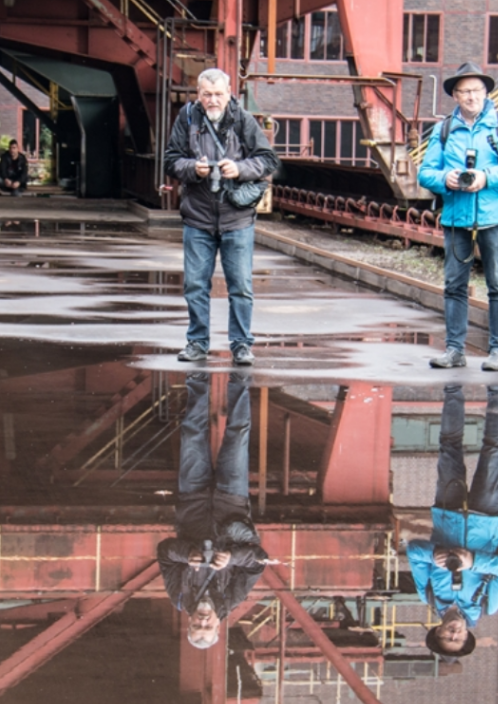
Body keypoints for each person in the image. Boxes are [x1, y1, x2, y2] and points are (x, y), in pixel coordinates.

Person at [417, 62, 498, 372]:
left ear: (486, 92)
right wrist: (446, 179)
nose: (472, 97)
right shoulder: (444, 129)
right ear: (455, 95)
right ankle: (455, 350)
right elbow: (425, 172)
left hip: (494, 217)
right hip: (457, 218)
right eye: (465, 91)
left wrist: (487, 177)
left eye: (477, 90)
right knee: (454, 285)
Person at [163, 68, 279, 367]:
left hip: (236, 218)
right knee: (195, 285)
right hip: (198, 217)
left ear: (229, 94)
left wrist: (239, 169)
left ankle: (241, 345)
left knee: (240, 286)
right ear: (198, 95)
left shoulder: (243, 120)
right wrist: (194, 169)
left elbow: (268, 160)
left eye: (218, 94)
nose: (212, 100)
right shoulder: (187, 118)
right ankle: (197, 343)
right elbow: (171, 160)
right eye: (206, 95)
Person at [406, 384, 498, 661]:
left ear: (437, 631)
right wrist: (474, 562)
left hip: (447, 510)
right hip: (486, 517)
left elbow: (413, 552)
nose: (454, 634)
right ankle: (497, 391)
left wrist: (436, 555)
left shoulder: (429, 595)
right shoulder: (486, 604)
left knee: (449, 448)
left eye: (447, 638)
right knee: (493, 451)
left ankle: (453, 389)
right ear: (468, 636)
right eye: (458, 639)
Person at [158, 373, 267, 649]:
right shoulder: (232, 598)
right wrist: (231, 558)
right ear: (219, 625)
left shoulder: (179, 597)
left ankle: (197, 378)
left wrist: (187, 555)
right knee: (238, 434)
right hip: (231, 503)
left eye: (197, 625)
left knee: (192, 432)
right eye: (208, 627)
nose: (203, 622)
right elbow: (258, 562)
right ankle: (239, 379)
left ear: (190, 622)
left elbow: (164, 553)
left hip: (192, 500)